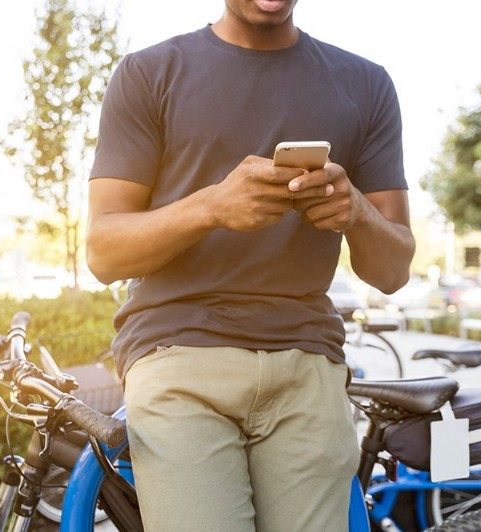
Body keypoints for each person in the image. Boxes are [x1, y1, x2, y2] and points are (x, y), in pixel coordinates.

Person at [86, 0, 415, 529]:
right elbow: (104, 252)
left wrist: (356, 212)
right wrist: (211, 207)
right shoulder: (148, 73)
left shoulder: (366, 83)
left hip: (307, 363)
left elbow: (393, 270)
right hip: (179, 355)